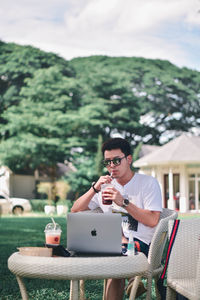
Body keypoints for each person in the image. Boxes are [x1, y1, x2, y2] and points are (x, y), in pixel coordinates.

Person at [71, 137, 162, 300]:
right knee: (114, 256)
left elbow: (153, 220)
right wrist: (94, 188)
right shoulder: (104, 186)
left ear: (129, 159)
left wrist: (124, 202)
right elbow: (75, 210)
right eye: (107, 162)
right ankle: (133, 279)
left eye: (116, 161)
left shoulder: (147, 183)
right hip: (112, 243)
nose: (112, 166)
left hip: (142, 244)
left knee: (116, 263)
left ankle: (132, 277)